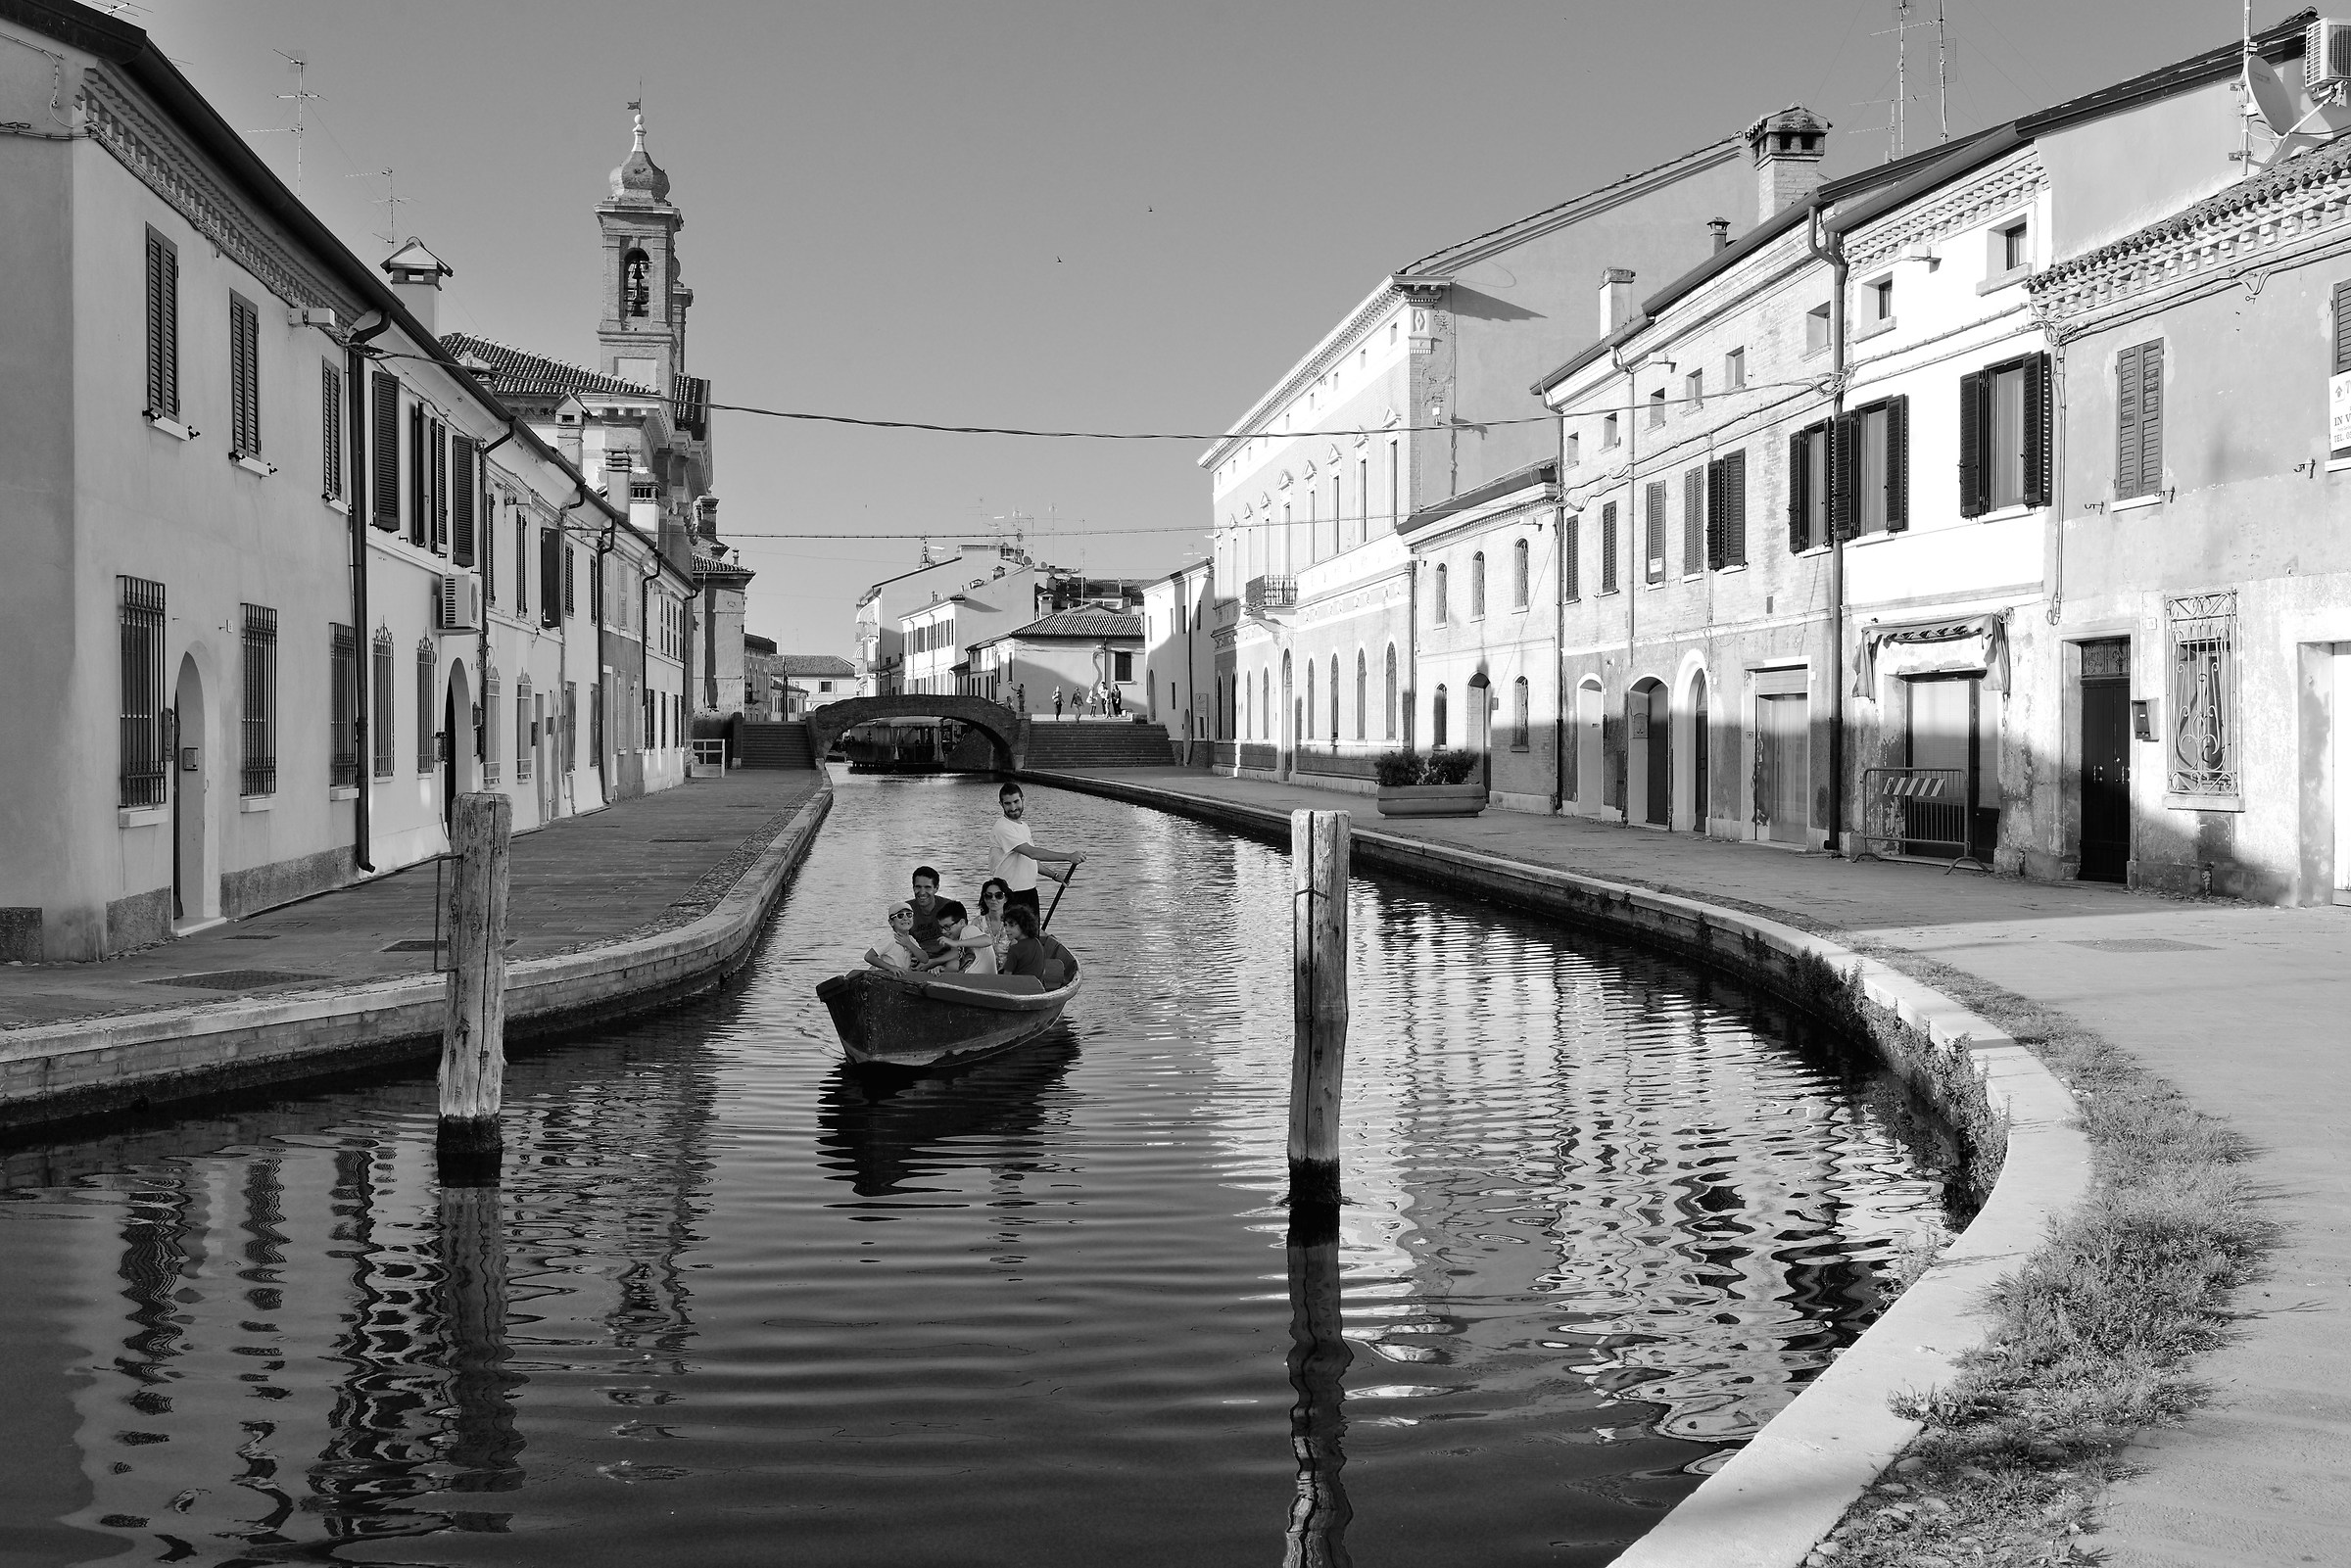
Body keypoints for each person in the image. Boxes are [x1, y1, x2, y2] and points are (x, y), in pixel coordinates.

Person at [988, 782, 1087, 923]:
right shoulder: (1002, 828)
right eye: (1008, 803)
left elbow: (1031, 861)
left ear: (1023, 800)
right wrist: (1068, 856)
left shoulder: (1024, 827)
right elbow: (1032, 853)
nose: (1013, 807)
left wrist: (1055, 875)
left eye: (1016, 802)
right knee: (1011, 941)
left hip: (1029, 892)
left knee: (1032, 938)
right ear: (1001, 804)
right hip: (1008, 895)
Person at [999, 903, 1079, 986]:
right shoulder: (1037, 943)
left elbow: (1007, 977)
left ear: (1023, 925)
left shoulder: (1014, 949)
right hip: (1037, 988)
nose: (1007, 930)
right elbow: (1043, 971)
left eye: (1011, 926)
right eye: (1005, 925)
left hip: (1018, 989)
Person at [862, 903, 923, 971]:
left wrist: (909, 944)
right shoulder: (890, 940)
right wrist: (890, 967)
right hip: (885, 976)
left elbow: (924, 959)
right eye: (900, 916)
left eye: (909, 915)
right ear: (891, 922)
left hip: (901, 977)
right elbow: (869, 956)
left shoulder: (910, 940)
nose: (905, 918)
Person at [907, 866, 946, 954]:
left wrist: (933, 962)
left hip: (944, 958)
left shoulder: (949, 907)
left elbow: (958, 946)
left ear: (936, 888)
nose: (922, 892)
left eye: (927, 887)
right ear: (913, 888)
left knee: (953, 966)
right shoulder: (905, 910)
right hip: (916, 957)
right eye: (918, 887)